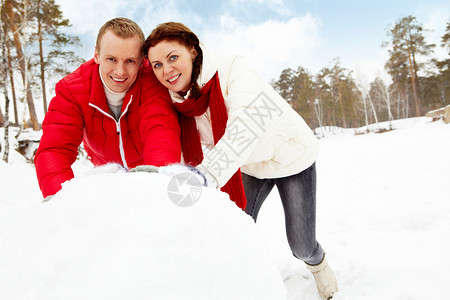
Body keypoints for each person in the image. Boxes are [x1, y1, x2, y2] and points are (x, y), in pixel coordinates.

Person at [143, 22, 338, 299]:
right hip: (247, 165)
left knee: (301, 245)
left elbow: (249, 122)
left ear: (193, 50)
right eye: (157, 65)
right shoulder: (179, 101)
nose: (167, 70)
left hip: (289, 156)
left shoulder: (233, 67)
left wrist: (207, 174)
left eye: (173, 57)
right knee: (234, 231)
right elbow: (176, 143)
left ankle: (319, 267)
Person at [34, 18, 181, 199]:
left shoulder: (152, 81)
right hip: (107, 180)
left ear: (142, 60)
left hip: (148, 174)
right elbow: (55, 149)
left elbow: (160, 130)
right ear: (96, 55)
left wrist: (154, 186)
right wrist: (61, 200)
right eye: (111, 59)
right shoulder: (72, 90)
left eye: (130, 61)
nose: (120, 71)